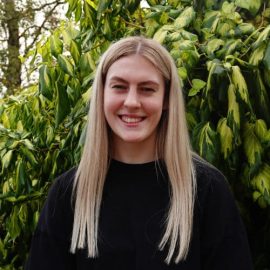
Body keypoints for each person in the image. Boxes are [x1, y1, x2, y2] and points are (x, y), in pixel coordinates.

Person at [26, 36, 253, 269]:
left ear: (165, 99)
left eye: (147, 89)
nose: (132, 101)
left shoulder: (207, 189)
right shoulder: (68, 194)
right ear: (102, 94)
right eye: (119, 87)